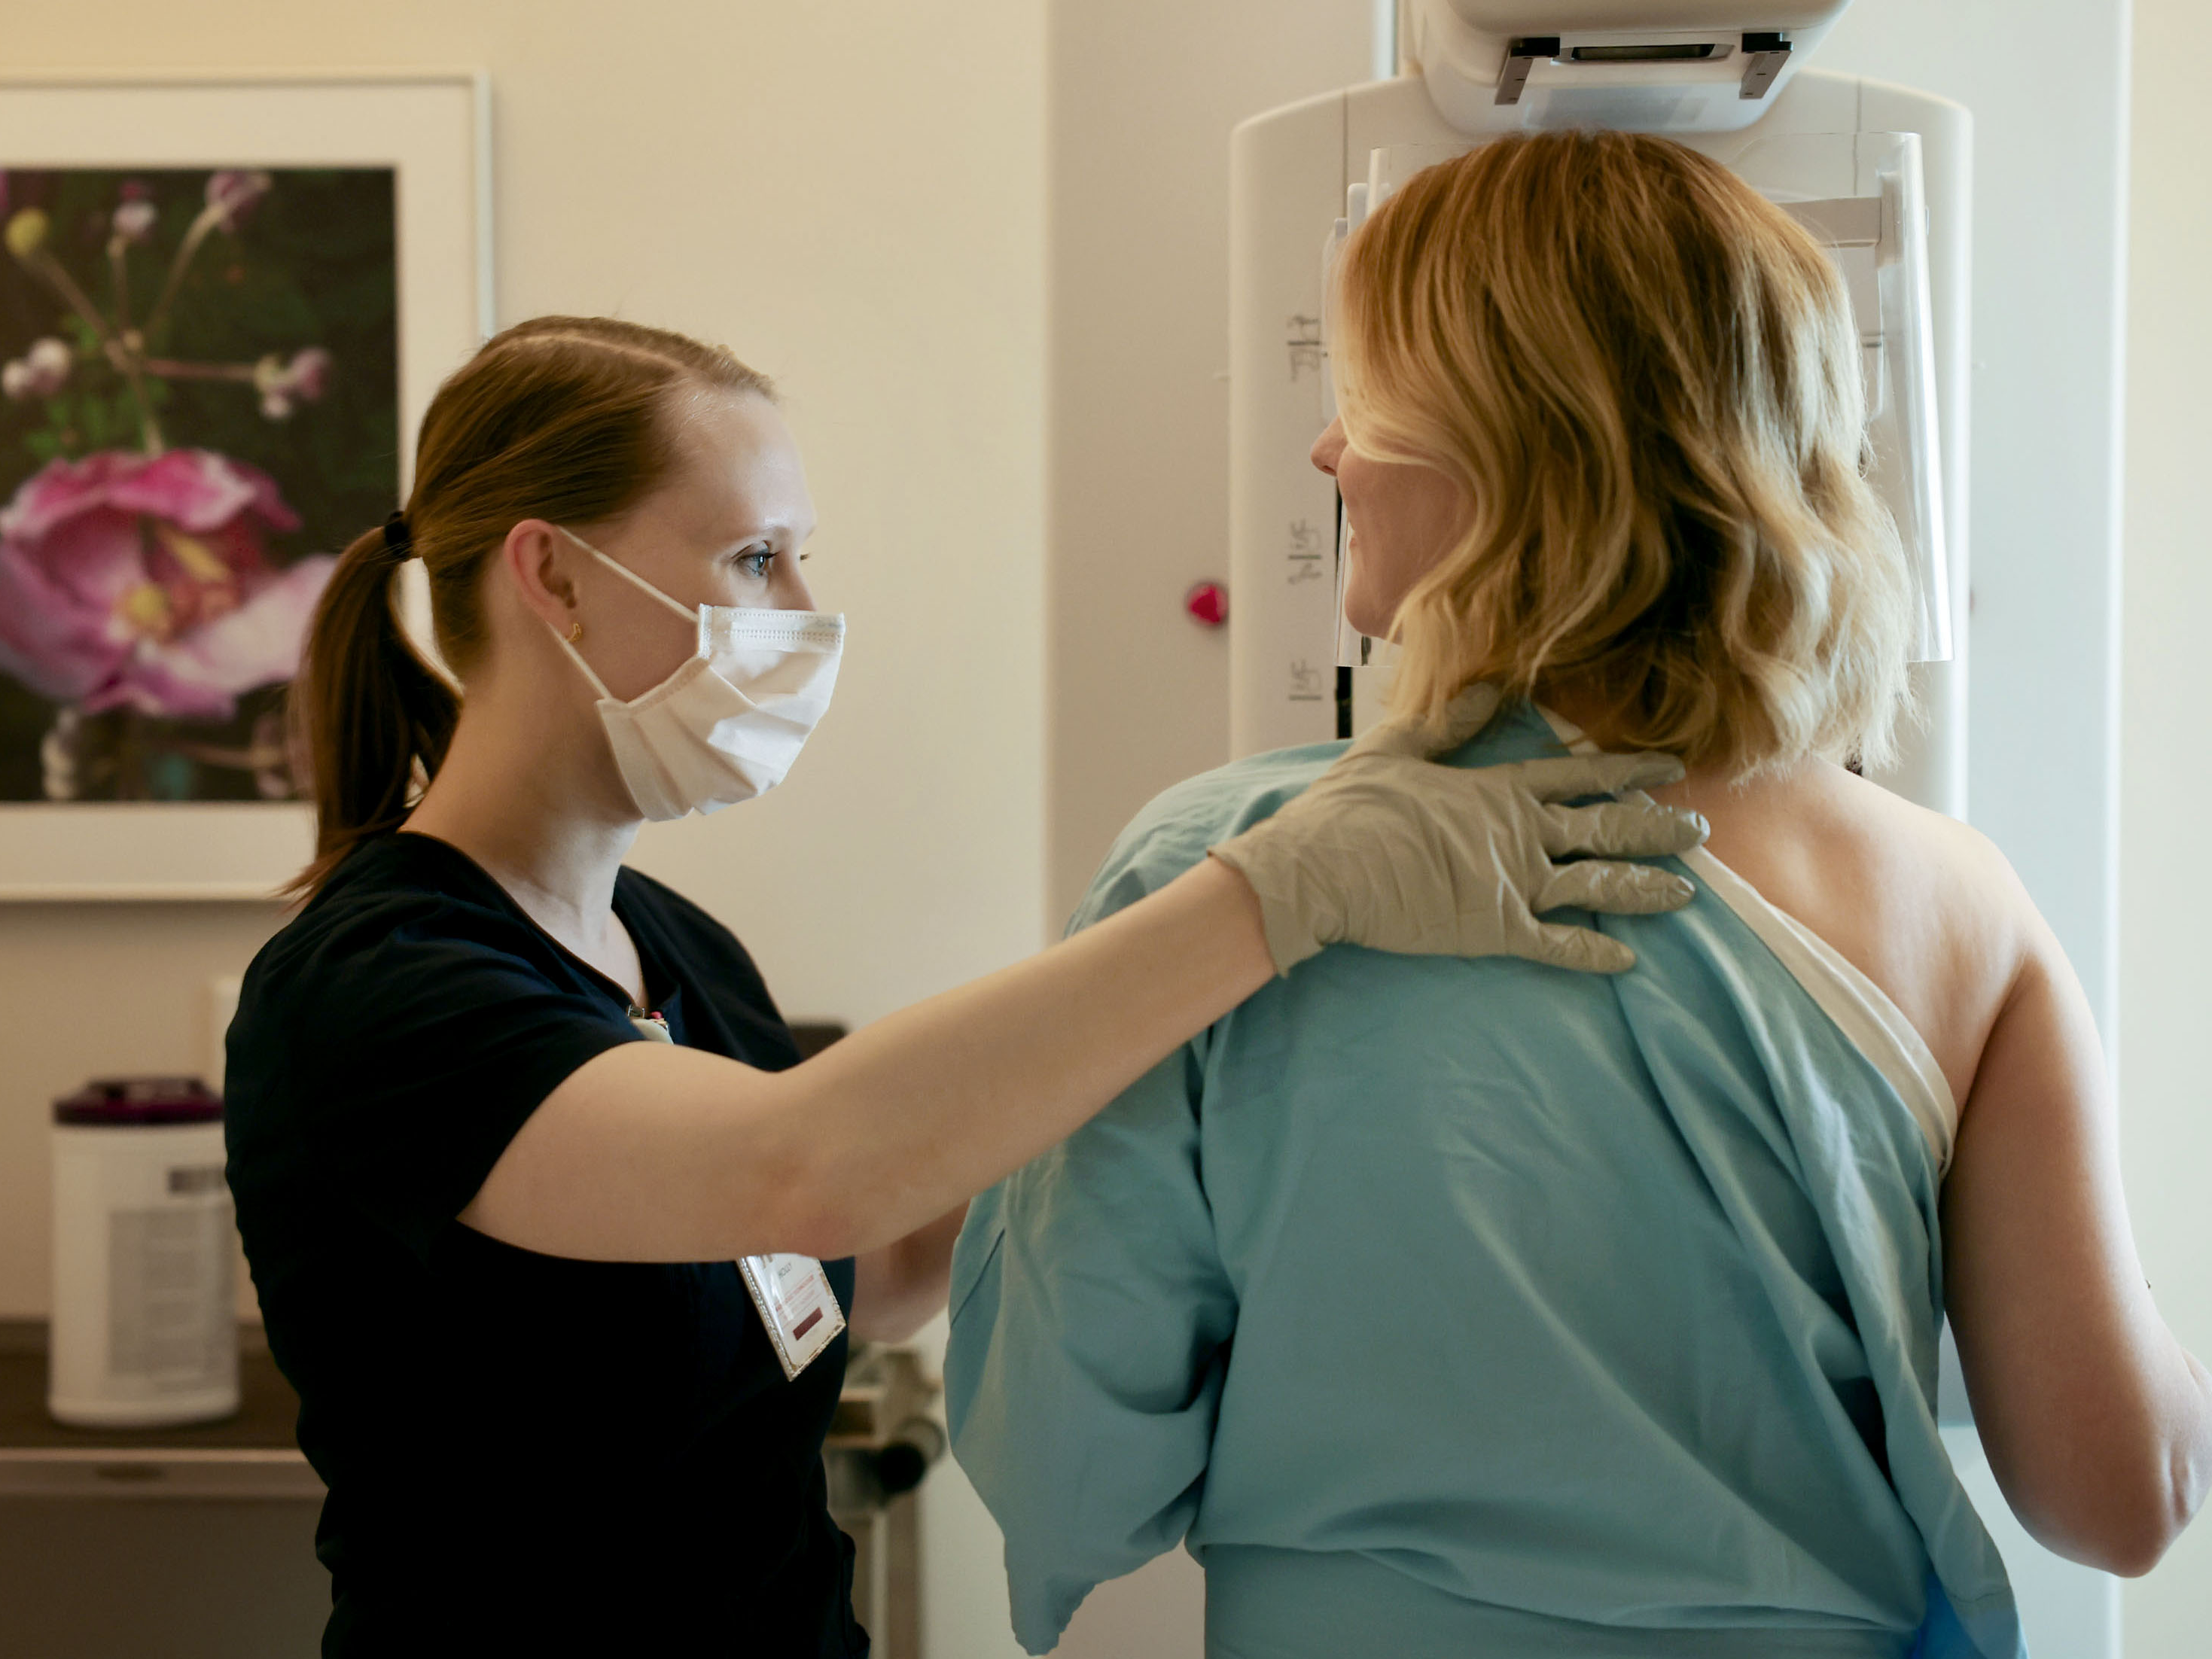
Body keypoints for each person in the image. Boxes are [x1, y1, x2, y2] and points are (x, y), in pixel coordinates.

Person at [219, 314, 1711, 1657]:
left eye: (802, 556)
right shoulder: (375, 990)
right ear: (551, 573)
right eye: (755, 560)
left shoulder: (674, 948)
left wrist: (1207, 1083)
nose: (806, 609)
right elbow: (803, 1175)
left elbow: (873, 1267)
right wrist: (1270, 891)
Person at [943, 131, 2212, 1659]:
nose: (1329, 453)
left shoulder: (1234, 881)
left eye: (1367, 399)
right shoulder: (1951, 902)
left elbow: (1070, 1469)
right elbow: (2121, 1494)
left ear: (1518, 444)